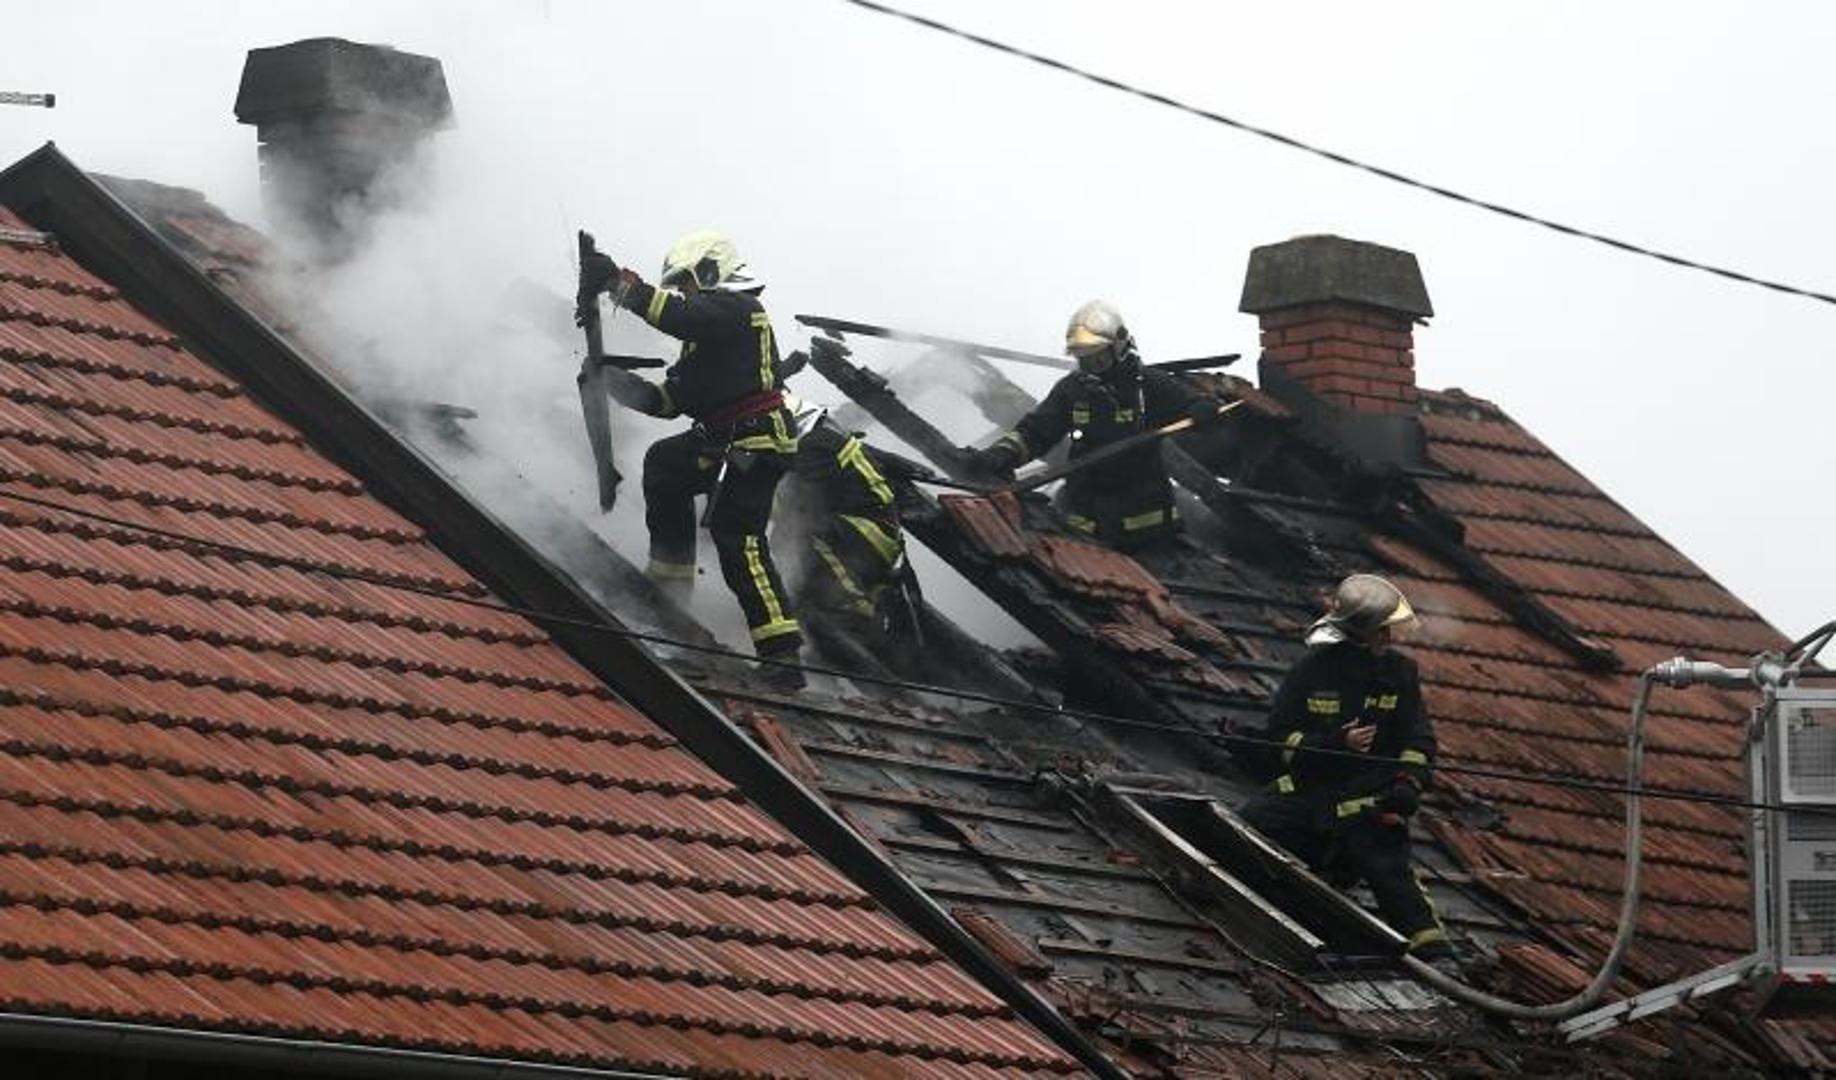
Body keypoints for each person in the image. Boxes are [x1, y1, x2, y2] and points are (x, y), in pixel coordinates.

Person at [577, 229, 804, 688]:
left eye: (686, 282)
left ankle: (783, 657)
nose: (683, 291)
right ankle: (670, 585)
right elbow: (667, 403)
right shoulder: (704, 342)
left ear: (710, 272)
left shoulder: (741, 311)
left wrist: (619, 284)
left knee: (737, 538)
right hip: (722, 439)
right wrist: (613, 381)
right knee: (665, 465)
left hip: (757, 441)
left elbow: (679, 316)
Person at [1237, 574, 1452, 962]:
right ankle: (1306, 881)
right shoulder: (1313, 671)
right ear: (1364, 632)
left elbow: (1418, 738)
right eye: (1383, 630)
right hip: (1312, 790)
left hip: (1370, 797)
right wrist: (1335, 743)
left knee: (1387, 866)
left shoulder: (1400, 673)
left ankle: (1433, 951)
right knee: (1252, 824)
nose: (1389, 637)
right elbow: (1280, 739)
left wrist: (1408, 783)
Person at [959, 300, 1208, 549]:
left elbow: (1194, 405)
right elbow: (1036, 431)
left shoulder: (1149, 385)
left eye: (1098, 360)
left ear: (1119, 347)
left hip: (1150, 535)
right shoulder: (1072, 390)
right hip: (1086, 528)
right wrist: (1002, 453)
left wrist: (1202, 409)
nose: (1093, 369)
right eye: (1085, 361)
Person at [778, 392, 926, 648]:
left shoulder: (812, 448)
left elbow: (801, 505)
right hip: (876, 531)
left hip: (866, 532)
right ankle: (872, 594)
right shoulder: (827, 440)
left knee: (800, 534)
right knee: (796, 536)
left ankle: (858, 609)